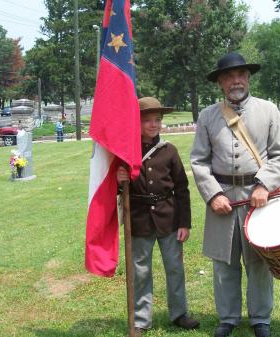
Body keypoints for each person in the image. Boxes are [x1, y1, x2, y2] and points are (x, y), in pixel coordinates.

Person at [190, 52, 280, 337]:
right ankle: (228, 318)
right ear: (221, 83)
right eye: (229, 76)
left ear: (248, 78)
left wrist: (263, 186)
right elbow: (199, 161)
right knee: (224, 262)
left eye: (241, 75)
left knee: (259, 261)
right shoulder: (208, 116)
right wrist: (213, 195)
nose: (236, 80)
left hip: (258, 199)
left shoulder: (268, 110)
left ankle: (260, 319)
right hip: (222, 198)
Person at [117, 97, 199, 337]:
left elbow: (182, 188)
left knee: (175, 268)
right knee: (140, 271)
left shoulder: (169, 150)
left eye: (158, 120)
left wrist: (184, 222)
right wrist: (118, 181)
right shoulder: (126, 153)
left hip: (169, 218)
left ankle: (179, 313)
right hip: (139, 219)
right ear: (137, 123)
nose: (154, 125)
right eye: (147, 120)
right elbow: (116, 190)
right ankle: (141, 319)